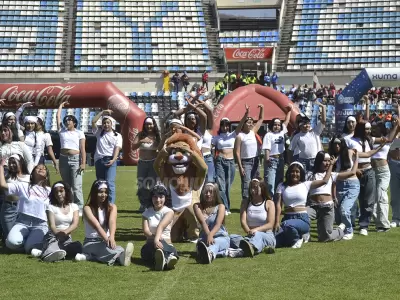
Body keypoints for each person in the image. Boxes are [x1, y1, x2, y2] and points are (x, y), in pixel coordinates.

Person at [274, 160, 334, 249]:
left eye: (297, 172)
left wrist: (331, 165)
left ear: (301, 173)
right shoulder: (282, 186)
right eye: (292, 171)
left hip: (302, 219)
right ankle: (298, 237)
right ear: (289, 173)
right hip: (288, 217)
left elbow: (324, 181)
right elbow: (278, 205)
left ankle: (297, 239)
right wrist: (277, 222)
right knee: (277, 240)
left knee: (286, 225)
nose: (295, 174)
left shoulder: (306, 184)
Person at [75, 180, 134, 266]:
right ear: (94, 193)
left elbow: (112, 222)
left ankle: (89, 256)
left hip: (106, 240)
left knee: (115, 248)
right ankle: (120, 257)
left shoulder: (112, 207)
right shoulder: (87, 208)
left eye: (106, 192)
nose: (104, 195)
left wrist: (112, 237)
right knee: (107, 249)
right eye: (100, 192)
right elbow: (97, 226)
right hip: (91, 242)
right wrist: (107, 239)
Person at [307, 151, 359, 242]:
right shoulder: (310, 175)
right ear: (319, 161)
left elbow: (352, 173)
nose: (328, 163)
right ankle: (305, 235)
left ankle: (340, 230)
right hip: (313, 206)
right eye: (325, 161)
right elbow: (323, 181)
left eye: (329, 161)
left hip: (327, 207)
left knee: (325, 238)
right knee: (303, 215)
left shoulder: (332, 175)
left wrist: (356, 159)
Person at [0, 163, 50, 253]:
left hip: (40, 225)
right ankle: (28, 240)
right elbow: (3, 185)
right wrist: (0, 167)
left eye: (44, 168)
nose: (41, 169)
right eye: (38, 168)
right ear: (32, 173)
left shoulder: (50, 191)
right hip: (22, 222)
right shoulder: (23, 185)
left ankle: (30, 242)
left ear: (47, 175)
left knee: (30, 248)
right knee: (11, 243)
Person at [347, 122, 385, 236]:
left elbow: (388, 139)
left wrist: (396, 128)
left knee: (368, 200)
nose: (369, 131)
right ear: (360, 129)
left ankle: (364, 225)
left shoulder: (369, 140)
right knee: (353, 199)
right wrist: (379, 147)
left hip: (369, 170)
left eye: (369, 129)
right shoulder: (350, 141)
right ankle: (351, 224)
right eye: (366, 129)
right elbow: (364, 154)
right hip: (355, 172)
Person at [31, 181, 82, 262]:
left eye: (61, 191)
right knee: (54, 245)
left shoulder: (74, 206)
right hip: (53, 236)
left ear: (66, 191)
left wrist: (65, 232)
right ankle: (47, 253)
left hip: (67, 237)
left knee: (78, 247)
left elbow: (75, 224)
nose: (58, 194)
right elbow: (52, 226)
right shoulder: (50, 207)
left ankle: (43, 250)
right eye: (56, 192)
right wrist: (58, 234)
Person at [212, 106, 248, 214]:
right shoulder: (216, 137)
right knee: (221, 186)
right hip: (220, 161)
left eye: (227, 125)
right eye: (223, 125)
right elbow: (211, 148)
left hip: (231, 162)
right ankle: (226, 208)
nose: (225, 127)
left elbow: (241, 125)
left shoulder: (233, 135)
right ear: (221, 126)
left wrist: (246, 114)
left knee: (228, 186)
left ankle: (225, 206)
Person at [229, 179, 276, 257]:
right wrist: (249, 232)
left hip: (267, 235)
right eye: (251, 188)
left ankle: (248, 249)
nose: (253, 190)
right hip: (250, 235)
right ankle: (250, 247)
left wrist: (256, 230)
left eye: (256, 188)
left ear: (262, 188)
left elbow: (270, 224)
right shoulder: (245, 202)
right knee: (231, 237)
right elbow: (243, 222)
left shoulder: (269, 203)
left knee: (258, 235)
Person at [57, 101, 86, 213]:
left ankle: (79, 208)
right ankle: (69, 204)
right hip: (63, 158)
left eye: (70, 120)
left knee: (77, 186)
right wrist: (60, 106)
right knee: (67, 185)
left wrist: (83, 162)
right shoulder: (62, 131)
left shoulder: (79, 132)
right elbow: (58, 117)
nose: (67, 121)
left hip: (75, 159)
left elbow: (83, 148)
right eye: (66, 120)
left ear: (74, 122)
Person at [141, 183, 178, 271]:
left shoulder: (169, 212)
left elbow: (161, 226)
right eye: (155, 197)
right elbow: (146, 231)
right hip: (150, 244)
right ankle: (167, 259)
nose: (158, 200)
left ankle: (164, 259)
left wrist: (157, 240)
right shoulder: (146, 213)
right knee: (146, 250)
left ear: (165, 198)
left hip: (165, 242)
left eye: (161, 197)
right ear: (151, 198)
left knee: (162, 247)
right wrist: (155, 239)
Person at [371, 120, 398, 231]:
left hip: (383, 171)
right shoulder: (370, 140)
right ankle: (379, 222)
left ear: (381, 129)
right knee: (372, 198)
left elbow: (395, 131)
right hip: (371, 171)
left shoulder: (387, 139)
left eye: (376, 127)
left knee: (381, 195)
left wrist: (396, 124)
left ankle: (384, 224)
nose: (374, 129)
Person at [91, 110, 122, 204]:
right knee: (100, 183)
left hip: (110, 159)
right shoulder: (99, 132)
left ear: (111, 124)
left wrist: (114, 159)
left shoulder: (117, 135)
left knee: (110, 183)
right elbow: (93, 121)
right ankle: (101, 203)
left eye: (108, 122)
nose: (106, 125)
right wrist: (102, 113)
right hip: (99, 160)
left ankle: (110, 204)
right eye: (104, 123)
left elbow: (117, 148)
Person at [234, 104, 264, 202]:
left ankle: (256, 200)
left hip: (255, 160)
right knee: (246, 184)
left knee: (256, 182)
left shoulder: (253, 131)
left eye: (252, 122)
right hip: (245, 162)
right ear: (244, 124)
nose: (251, 124)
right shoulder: (240, 136)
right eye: (249, 122)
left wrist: (262, 108)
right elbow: (237, 152)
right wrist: (240, 166)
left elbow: (261, 119)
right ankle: (246, 203)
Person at [194, 183, 229, 264]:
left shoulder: (221, 206)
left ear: (215, 193)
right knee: (203, 246)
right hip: (204, 237)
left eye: (211, 192)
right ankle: (225, 252)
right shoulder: (197, 206)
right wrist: (208, 235)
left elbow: (218, 224)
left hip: (220, 236)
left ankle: (210, 255)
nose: (208, 194)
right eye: (206, 192)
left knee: (215, 243)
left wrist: (211, 235)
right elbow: (203, 222)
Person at [132, 117, 161, 211]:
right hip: (142, 163)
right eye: (147, 124)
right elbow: (133, 147)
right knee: (142, 184)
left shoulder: (157, 135)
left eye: (150, 124)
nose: (149, 126)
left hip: (153, 162)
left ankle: (152, 204)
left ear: (154, 125)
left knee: (153, 185)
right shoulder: (140, 134)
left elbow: (161, 148)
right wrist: (141, 141)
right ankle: (143, 204)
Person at [262, 106, 292, 198]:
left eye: (279, 125)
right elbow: (267, 148)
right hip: (271, 159)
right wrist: (267, 158)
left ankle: (276, 204)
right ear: (272, 125)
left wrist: (289, 111)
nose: (277, 126)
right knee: (270, 184)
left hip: (281, 160)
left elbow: (286, 121)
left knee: (279, 184)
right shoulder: (268, 135)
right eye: (275, 124)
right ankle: (269, 203)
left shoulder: (282, 133)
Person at [289, 102, 326, 172]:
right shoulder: (297, 136)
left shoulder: (315, 132)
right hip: (303, 161)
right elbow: (290, 149)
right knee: (304, 180)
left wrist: (323, 107)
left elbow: (323, 121)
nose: (307, 126)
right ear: (300, 126)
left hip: (315, 160)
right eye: (304, 124)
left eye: (308, 124)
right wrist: (290, 161)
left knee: (314, 179)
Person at [0, 154, 30, 240]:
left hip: (23, 209)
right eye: (10, 163)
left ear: (20, 163)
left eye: (14, 162)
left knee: (22, 235)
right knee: (10, 237)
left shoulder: (29, 177)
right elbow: (2, 185)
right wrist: (1, 167)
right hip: (9, 208)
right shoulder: (7, 176)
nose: (12, 165)